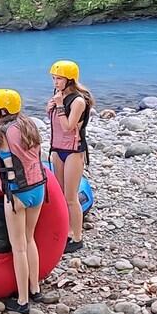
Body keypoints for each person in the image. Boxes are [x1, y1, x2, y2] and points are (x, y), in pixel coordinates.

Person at [0, 89, 46, 314]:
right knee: (30, 239)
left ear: (3, 111)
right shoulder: (29, 125)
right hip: (39, 188)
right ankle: (35, 289)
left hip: (17, 193)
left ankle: (23, 301)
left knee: (18, 248)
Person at [47, 60, 94, 253]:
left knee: (70, 196)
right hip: (57, 149)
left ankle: (77, 236)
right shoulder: (59, 96)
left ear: (70, 80)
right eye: (54, 78)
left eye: (59, 79)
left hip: (74, 151)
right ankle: (64, 231)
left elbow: (68, 126)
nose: (55, 82)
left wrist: (58, 106)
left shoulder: (78, 101)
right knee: (59, 192)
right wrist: (52, 105)